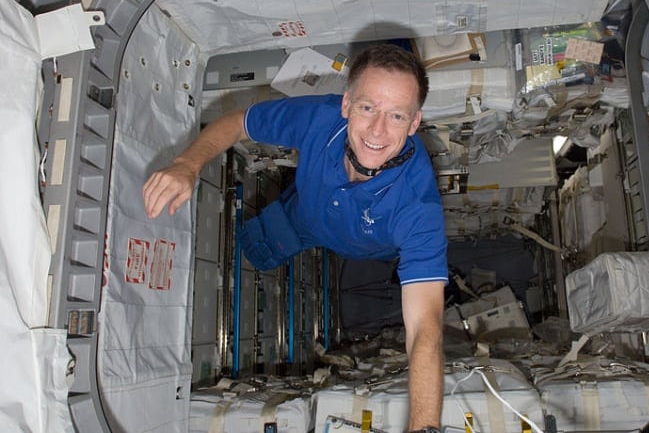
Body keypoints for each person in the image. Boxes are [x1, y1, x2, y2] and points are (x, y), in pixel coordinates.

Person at [142, 43, 448, 431]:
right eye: (368, 108)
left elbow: (425, 328)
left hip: (369, 245)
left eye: (396, 115)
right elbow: (240, 121)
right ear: (346, 104)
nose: (378, 130)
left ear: (415, 122)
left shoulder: (417, 207)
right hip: (306, 214)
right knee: (254, 249)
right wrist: (187, 163)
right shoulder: (319, 118)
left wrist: (424, 428)